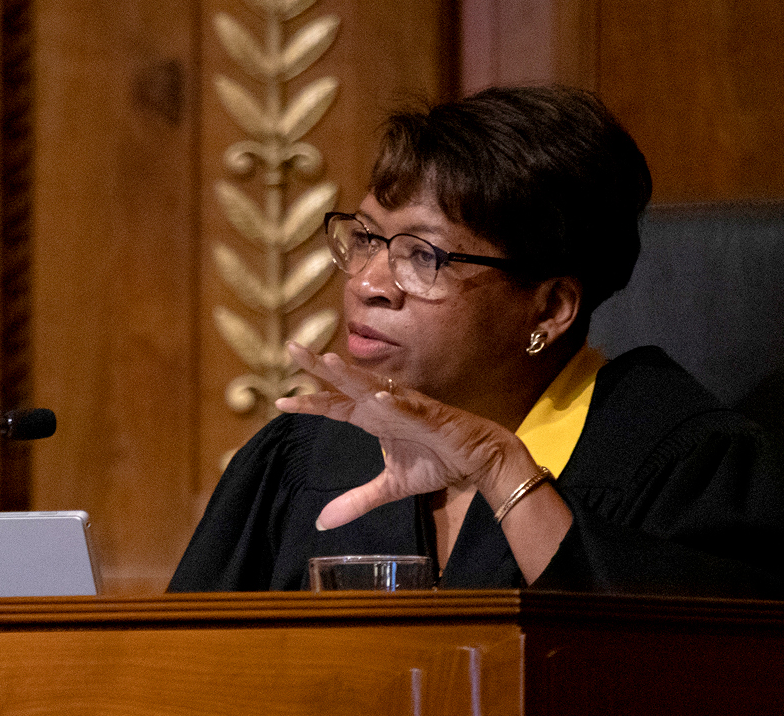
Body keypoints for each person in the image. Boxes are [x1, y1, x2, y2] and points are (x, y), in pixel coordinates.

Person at [170, 84, 784, 595]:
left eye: (423, 257)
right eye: (365, 239)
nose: (367, 282)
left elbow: (696, 693)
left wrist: (503, 473)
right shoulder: (308, 456)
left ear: (549, 308)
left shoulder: (684, 465)